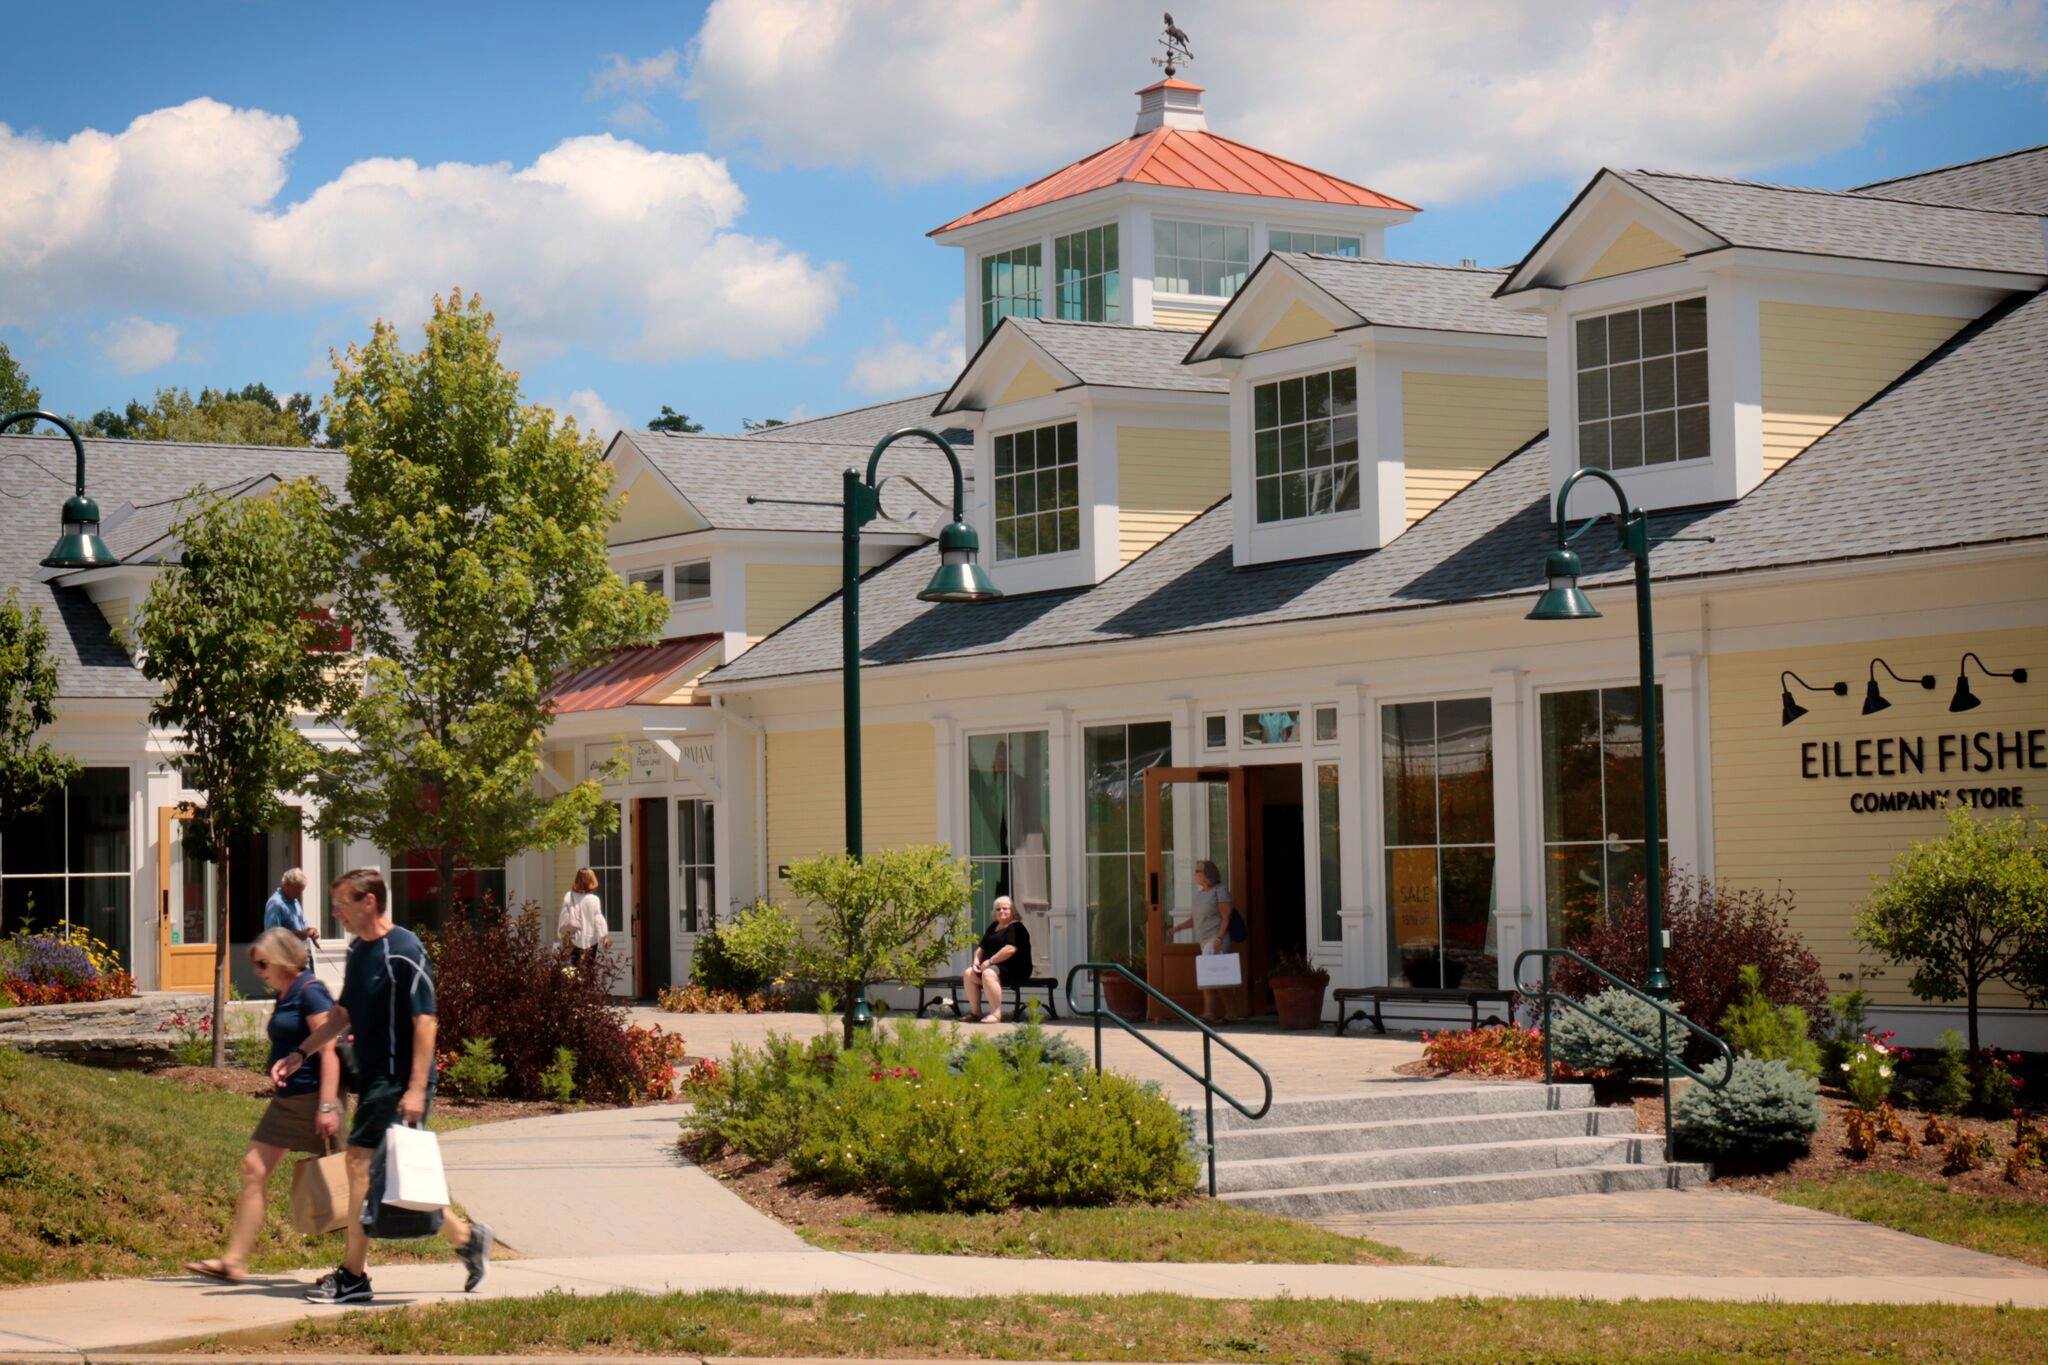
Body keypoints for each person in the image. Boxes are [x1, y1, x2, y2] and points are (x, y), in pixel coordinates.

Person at [272, 868, 492, 1304]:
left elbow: (425, 1020)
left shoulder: (404, 950)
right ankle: (468, 1239)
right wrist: (302, 1053)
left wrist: (414, 1088)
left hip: (398, 1081)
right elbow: (342, 1015)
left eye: (342, 904)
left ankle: (354, 1276)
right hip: (375, 1079)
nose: (337, 913)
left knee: (359, 1165)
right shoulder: (360, 951)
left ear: (369, 902)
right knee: (394, 1176)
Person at [185, 926, 347, 1283]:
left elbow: (329, 1049)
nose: (258, 972)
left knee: (345, 1183)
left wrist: (326, 1106)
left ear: (284, 960)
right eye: (255, 965)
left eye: (262, 964)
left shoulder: (311, 991)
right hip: (288, 1101)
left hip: (315, 1100)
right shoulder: (286, 993)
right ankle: (234, 1261)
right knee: (253, 1168)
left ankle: (361, 1266)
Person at [1175, 859, 1241, 1025]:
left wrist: (1219, 938)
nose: (1195, 874)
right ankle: (1231, 1013)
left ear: (1207, 875)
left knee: (1209, 977)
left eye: (1198, 871)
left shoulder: (1220, 891)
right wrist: (1178, 928)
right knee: (1218, 978)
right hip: (1204, 941)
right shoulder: (1200, 895)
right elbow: (1195, 919)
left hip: (1216, 940)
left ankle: (1209, 1013)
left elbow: (1226, 916)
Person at [963, 895, 1032, 1023]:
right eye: (998, 909)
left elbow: (1010, 949)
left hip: (1015, 969)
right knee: (968, 973)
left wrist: (990, 961)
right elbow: (981, 948)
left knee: (989, 973)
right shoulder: (994, 926)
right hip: (995, 968)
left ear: (1013, 911)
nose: (1001, 911)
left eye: (1005, 908)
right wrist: (976, 963)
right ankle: (975, 1013)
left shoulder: (1016, 927)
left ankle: (996, 1014)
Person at [559, 867, 606, 975]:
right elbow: (598, 919)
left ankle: (575, 990)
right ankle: (585, 990)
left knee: (574, 969)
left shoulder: (569, 896)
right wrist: (604, 936)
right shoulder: (594, 899)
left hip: (574, 936)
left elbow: (564, 914)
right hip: (591, 938)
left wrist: (563, 932)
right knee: (588, 971)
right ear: (592, 880)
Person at [263, 868, 316, 945]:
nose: (298, 895)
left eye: (300, 891)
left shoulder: (295, 901)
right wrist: (299, 935)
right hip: (283, 954)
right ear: (287, 885)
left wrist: (311, 931)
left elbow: (302, 927)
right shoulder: (275, 903)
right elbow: (272, 934)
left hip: (297, 951)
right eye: (296, 891)